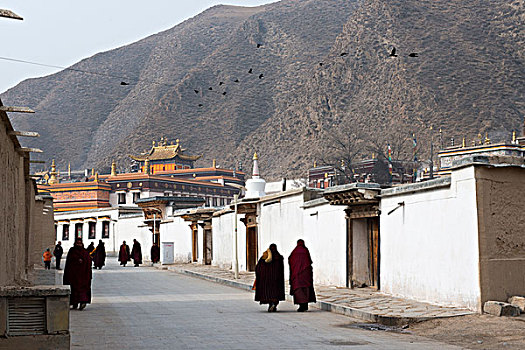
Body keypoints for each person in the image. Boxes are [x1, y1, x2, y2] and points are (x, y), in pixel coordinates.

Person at [254, 243, 285, 312]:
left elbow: (258, 268)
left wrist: (260, 276)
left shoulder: (264, 257)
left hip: (266, 281)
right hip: (276, 280)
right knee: (275, 294)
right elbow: (281, 270)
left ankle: (271, 305)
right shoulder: (279, 258)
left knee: (268, 294)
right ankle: (274, 304)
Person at [63, 238, 92, 310]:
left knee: (82, 289)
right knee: (73, 289)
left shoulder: (85, 252)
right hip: (73, 275)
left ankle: (83, 302)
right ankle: (74, 303)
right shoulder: (72, 251)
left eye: (80, 243)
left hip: (83, 276)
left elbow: (88, 263)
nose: (79, 245)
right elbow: (69, 263)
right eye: (77, 244)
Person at [288, 239, 316, 312]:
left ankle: (301, 306)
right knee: (306, 290)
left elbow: (290, 260)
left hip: (297, 275)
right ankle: (305, 305)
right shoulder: (305, 251)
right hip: (305, 275)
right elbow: (309, 261)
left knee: (299, 290)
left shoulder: (294, 252)